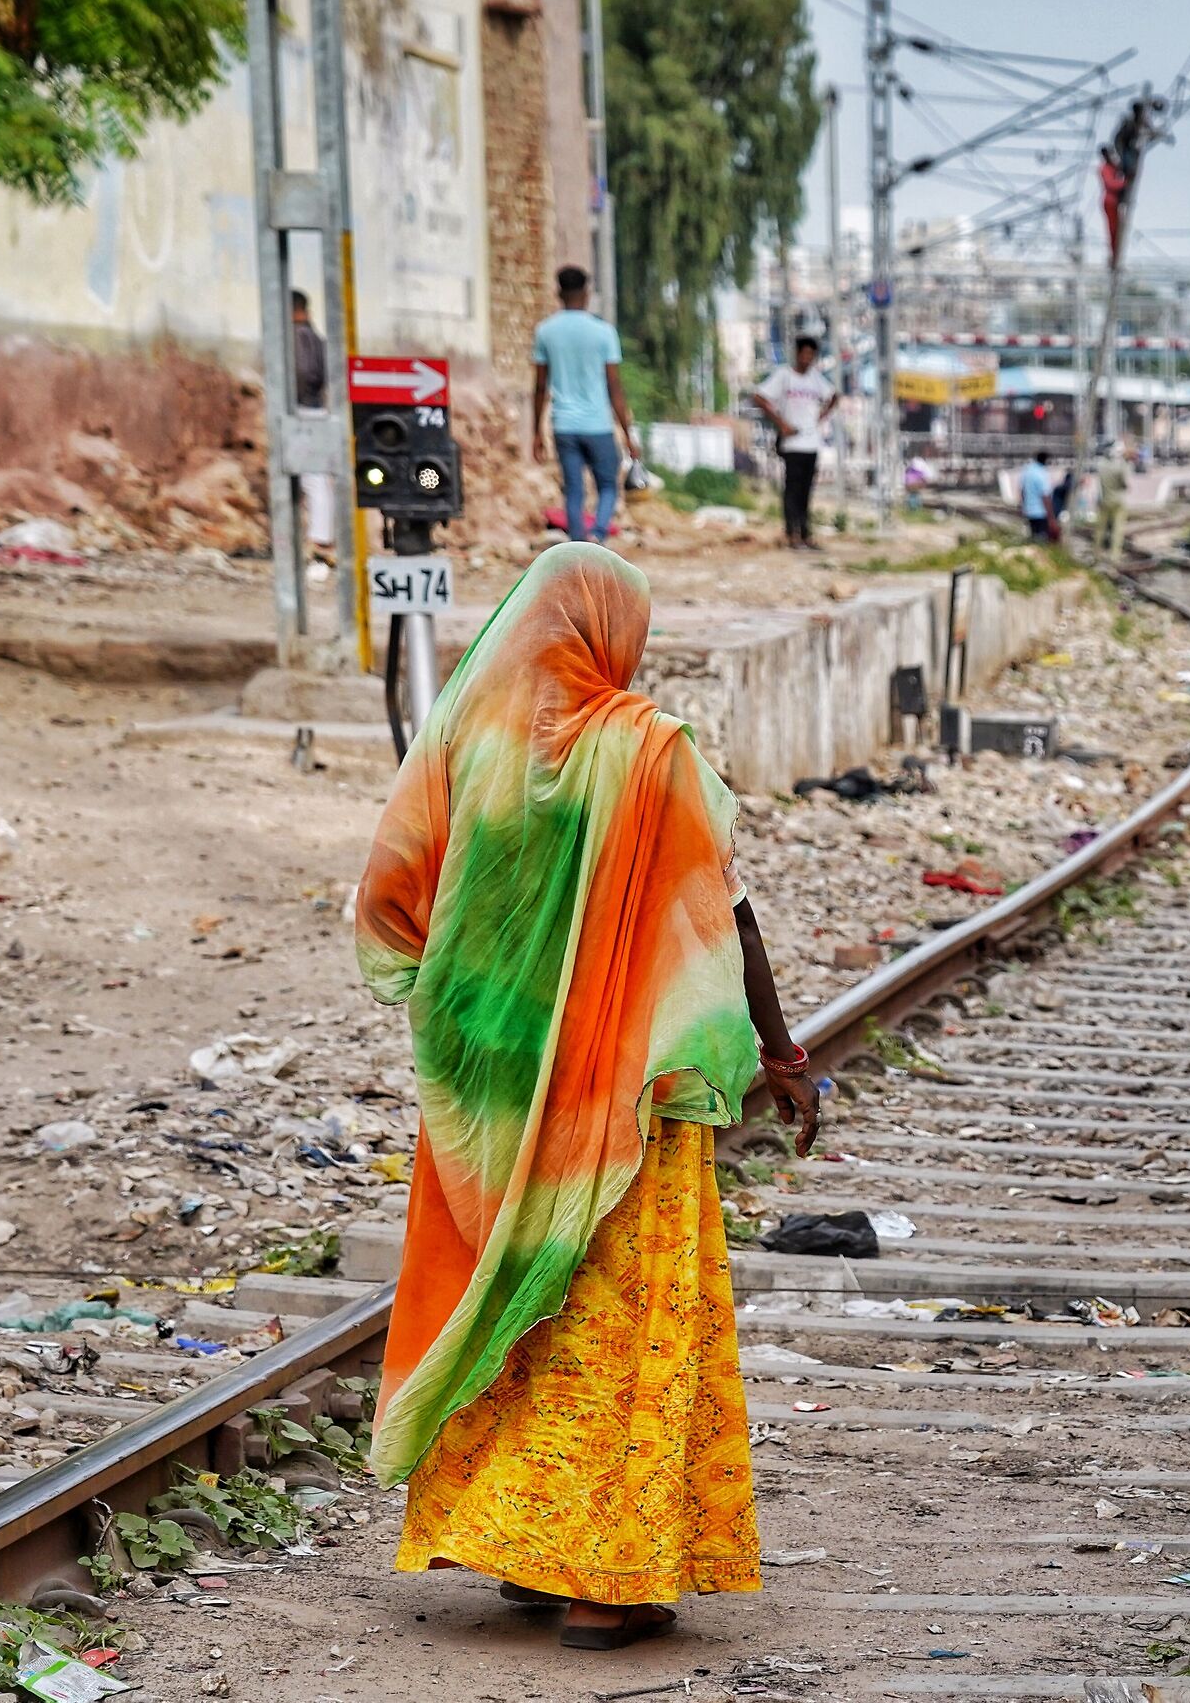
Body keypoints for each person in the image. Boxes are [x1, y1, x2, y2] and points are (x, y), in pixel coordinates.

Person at [354, 544, 824, 1653]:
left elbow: (391, 894)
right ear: (609, 632)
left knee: (510, 1300)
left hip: (497, 1100)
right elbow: (723, 914)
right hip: (618, 1109)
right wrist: (781, 1053)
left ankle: (516, 1540)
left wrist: (481, 1017)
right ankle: (604, 1582)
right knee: (620, 1323)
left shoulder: (471, 739)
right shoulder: (648, 751)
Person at [531, 266, 640, 543]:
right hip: (597, 425)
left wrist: (536, 433)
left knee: (574, 490)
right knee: (607, 485)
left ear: (558, 293)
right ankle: (598, 533)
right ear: (587, 293)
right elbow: (614, 385)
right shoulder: (603, 332)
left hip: (564, 425)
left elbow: (540, 386)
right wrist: (628, 433)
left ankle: (578, 544)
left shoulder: (545, 332)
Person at [751, 336, 837, 551]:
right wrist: (781, 424)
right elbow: (759, 397)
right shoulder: (784, 376)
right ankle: (792, 533)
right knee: (792, 490)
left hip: (811, 443)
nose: (808, 358)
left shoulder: (816, 378)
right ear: (798, 354)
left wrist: (823, 414)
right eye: (805, 353)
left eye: (812, 355)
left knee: (806, 491)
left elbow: (834, 395)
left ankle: (806, 534)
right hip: (792, 444)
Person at [290, 290, 337, 554]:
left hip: (303, 412)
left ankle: (320, 539)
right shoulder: (317, 339)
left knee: (312, 479)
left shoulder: (298, 339)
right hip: (317, 410)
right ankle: (320, 536)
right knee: (316, 479)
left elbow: (305, 374)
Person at [1019, 451, 1054, 541]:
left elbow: (1022, 491)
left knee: (1033, 536)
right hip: (1040, 512)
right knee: (1042, 538)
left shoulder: (1027, 471)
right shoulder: (1041, 473)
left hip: (1029, 511)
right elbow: (1045, 496)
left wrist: (1023, 507)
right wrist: (1051, 517)